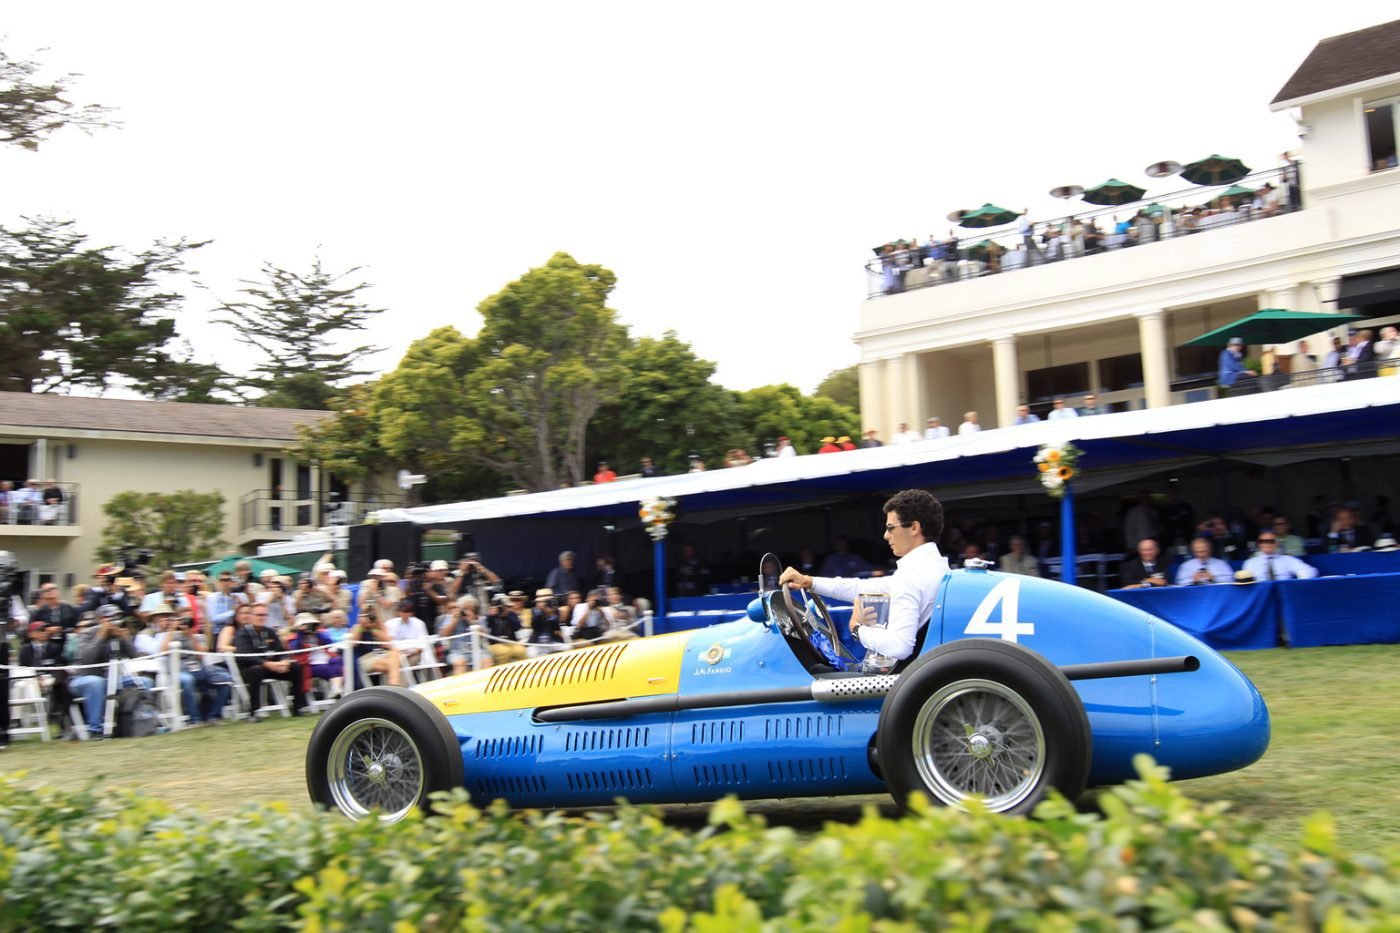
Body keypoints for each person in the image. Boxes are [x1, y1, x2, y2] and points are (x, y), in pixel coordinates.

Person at [779, 489, 949, 671]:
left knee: (817, 671)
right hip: (912, 671)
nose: (886, 535)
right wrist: (809, 581)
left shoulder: (911, 576)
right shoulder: (937, 568)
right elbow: (861, 587)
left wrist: (856, 629)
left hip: (897, 675)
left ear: (914, 528)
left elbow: (900, 646)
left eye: (891, 527)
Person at [234, 604, 308, 716]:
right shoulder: (242, 633)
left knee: (296, 667)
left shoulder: (269, 632)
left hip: (271, 667)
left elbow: (280, 650)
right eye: (259, 615)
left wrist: (284, 660)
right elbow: (244, 655)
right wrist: (266, 663)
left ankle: (298, 707)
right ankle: (254, 711)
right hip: (249, 669)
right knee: (256, 670)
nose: (262, 618)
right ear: (250, 616)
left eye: (264, 615)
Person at [1242, 533, 1317, 581]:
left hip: (1284, 593)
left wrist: (1301, 578)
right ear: (1259, 544)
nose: (1266, 544)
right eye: (1262, 541)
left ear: (1276, 544)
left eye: (1270, 541)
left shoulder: (1288, 560)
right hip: (1261, 596)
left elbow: (1311, 571)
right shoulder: (1250, 563)